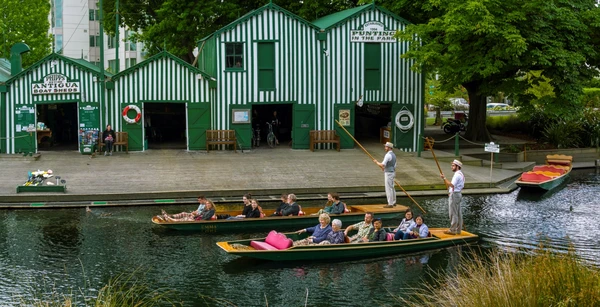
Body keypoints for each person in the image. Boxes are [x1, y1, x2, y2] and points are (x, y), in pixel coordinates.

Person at [441, 159, 465, 235]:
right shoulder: (461, 174)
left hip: (455, 195)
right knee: (458, 213)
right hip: (458, 194)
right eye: (452, 165)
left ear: (457, 166)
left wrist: (444, 178)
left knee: (453, 213)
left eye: (453, 165)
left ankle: (452, 230)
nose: (451, 167)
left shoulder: (457, 175)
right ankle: (458, 230)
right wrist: (450, 191)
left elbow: (451, 184)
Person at [373, 142, 397, 208]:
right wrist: (385, 168)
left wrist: (376, 162)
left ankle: (390, 203)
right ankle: (394, 202)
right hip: (392, 172)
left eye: (386, 147)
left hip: (388, 173)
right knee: (392, 187)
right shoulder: (394, 155)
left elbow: (382, 164)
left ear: (389, 148)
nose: (385, 148)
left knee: (388, 188)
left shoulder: (388, 155)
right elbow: (394, 165)